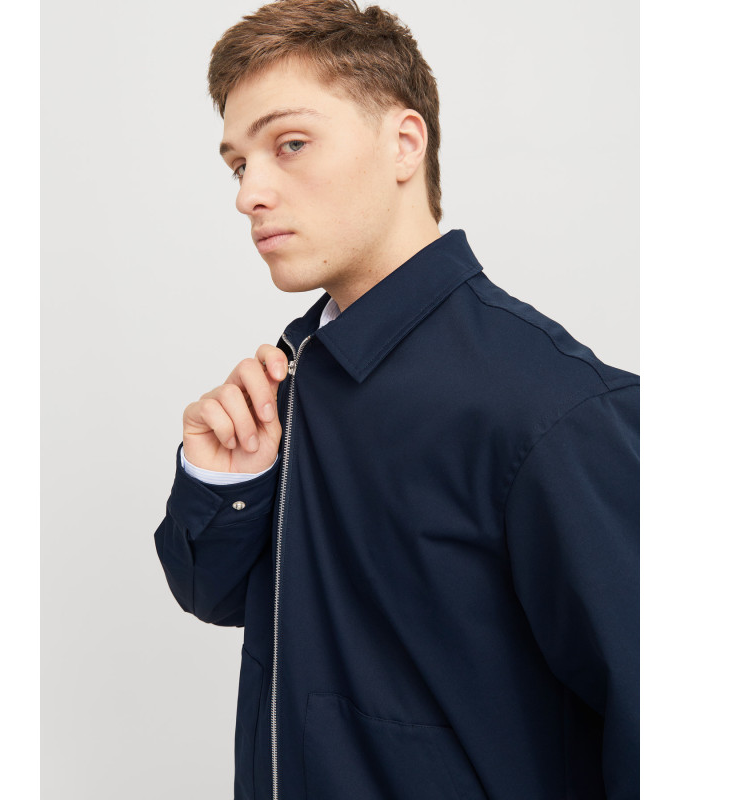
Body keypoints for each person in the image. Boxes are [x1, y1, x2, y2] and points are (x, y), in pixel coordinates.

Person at [153, 1, 640, 798]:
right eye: (239, 165)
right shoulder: (290, 376)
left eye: (290, 144)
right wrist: (224, 481)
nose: (249, 194)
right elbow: (215, 592)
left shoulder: (555, 406)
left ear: (404, 143)